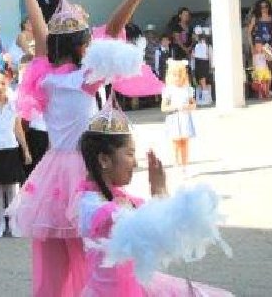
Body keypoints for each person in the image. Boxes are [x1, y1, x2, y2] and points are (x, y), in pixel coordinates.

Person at [8, 0, 151, 297]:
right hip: (82, 169)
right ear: (82, 47)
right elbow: (114, 29)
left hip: (51, 170)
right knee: (93, 256)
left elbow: (40, 34)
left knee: (53, 270)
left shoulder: (45, 74)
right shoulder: (83, 79)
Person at [73, 107, 232, 296]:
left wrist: (158, 191)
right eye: (130, 154)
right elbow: (149, 228)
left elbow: (159, 225)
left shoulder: (117, 197)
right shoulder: (92, 206)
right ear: (104, 160)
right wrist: (160, 193)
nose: (135, 163)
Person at [0, 72, 31, 238]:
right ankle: (1, 223)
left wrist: (25, 150)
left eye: (2, 83)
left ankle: (14, 223)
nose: (0, 87)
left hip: (11, 149)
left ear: (7, 85)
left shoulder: (13, 106)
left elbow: (18, 129)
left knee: (13, 189)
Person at [161, 60, 196, 174]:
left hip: (185, 118)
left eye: (180, 75)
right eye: (175, 75)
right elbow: (163, 107)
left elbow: (193, 105)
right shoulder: (168, 90)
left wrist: (188, 106)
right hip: (174, 118)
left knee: (185, 142)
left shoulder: (188, 89)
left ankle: (185, 166)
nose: (177, 78)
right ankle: (176, 164)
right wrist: (175, 107)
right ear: (170, 75)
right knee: (176, 143)